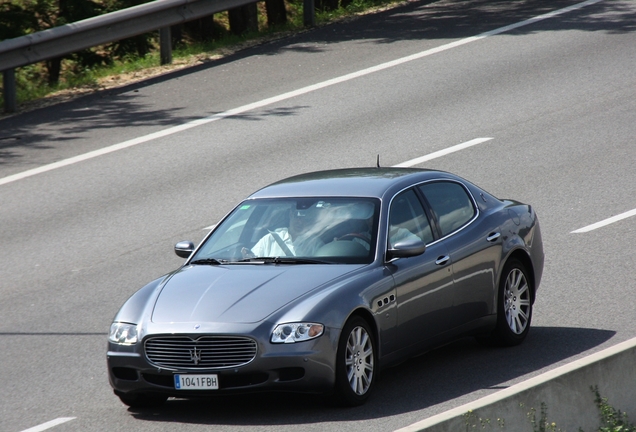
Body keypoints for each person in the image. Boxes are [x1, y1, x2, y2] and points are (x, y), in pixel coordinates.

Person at [246, 207, 325, 257]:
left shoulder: (315, 243)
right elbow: (254, 261)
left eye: (305, 217)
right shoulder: (270, 239)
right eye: (297, 215)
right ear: (291, 214)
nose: (300, 222)